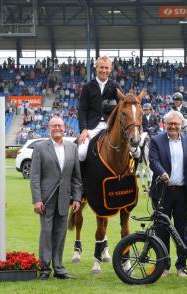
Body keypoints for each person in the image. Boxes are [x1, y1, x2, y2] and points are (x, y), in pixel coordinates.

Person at [148, 110, 187, 278]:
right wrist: (162, 172)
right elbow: (153, 161)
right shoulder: (156, 140)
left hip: (183, 193)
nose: (173, 126)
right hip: (162, 193)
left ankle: (181, 266)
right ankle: (164, 266)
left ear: (181, 125)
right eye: (170, 123)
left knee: (182, 229)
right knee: (162, 230)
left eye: (176, 123)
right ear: (164, 124)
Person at [30, 116, 82, 280]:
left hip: (65, 197)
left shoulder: (72, 148)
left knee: (60, 233)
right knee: (46, 232)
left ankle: (59, 268)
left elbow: (76, 178)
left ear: (64, 127)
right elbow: (35, 176)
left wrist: (77, 198)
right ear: (49, 128)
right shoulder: (40, 147)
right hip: (46, 198)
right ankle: (45, 269)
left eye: (60, 125)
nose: (57, 128)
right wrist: (37, 199)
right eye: (54, 126)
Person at [77, 55, 121, 161]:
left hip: (110, 127)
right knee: (81, 154)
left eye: (106, 68)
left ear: (110, 69)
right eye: (101, 67)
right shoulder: (87, 87)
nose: (104, 70)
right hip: (92, 128)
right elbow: (82, 110)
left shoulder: (116, 86)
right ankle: (81, 177)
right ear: (96, 68)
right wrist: (83, 129)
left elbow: (121, 108)